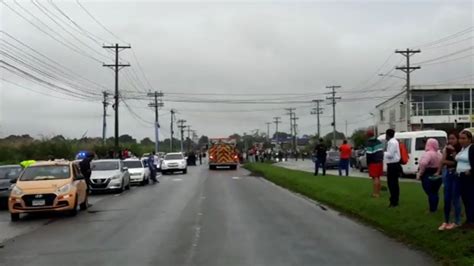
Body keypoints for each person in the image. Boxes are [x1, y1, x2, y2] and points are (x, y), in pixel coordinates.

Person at [436, 131, 462, 230]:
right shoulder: (447, 148)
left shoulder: (460, 149)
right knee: (447, 198)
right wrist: (438, 171)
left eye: (453, 138)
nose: (450, 141)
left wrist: (453, 156)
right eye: (449, 138)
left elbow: (458, 161)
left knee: (455, 198)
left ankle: (457, 221)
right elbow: (443, 161)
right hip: (448, 173)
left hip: (456, 174)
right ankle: (446, 221)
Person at [417, 138, 442, 213]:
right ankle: (434, 207)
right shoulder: (439, 154)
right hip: (438, 173)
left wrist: (420, 173)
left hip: (428, 173)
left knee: (430, 192)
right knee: (435, 191)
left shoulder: (428, 153)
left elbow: (423, 163)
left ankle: (432, 209)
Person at [456, 130, 474, 227]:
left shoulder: (472, 149)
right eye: (460, 138)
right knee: (465, 199)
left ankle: (471, 220)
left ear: (470, 139)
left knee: (470, 198)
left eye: (464, 138)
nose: (461, 141)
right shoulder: (462, 149)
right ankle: (469, 219)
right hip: (460, 176)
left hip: (468, 177)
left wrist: (470, 171)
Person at [384, 129, 401, 207]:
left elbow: (390, 154)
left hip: (393, 165)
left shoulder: (392, 142)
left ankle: (394, 201)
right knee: (394, 183)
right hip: (394, 164)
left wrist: (383, 153)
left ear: (387, 135)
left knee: (392, 184)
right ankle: (395, 199)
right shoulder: (395, 141)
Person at [366, 130, 384, 198]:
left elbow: (369, 154)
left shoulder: (369, 143)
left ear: (368, 136)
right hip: (380, 161)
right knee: (378, 177)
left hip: (373, 162)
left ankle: (376, 194)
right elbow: (381, 151)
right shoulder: (379, 141)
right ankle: (378, 192)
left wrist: (368, 163)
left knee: (375, 177)